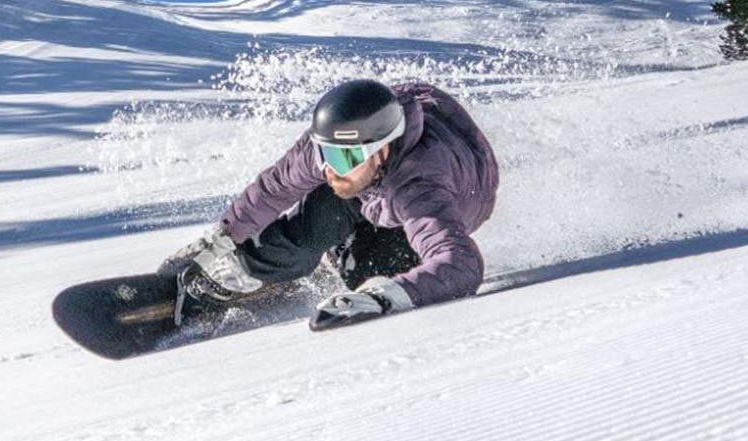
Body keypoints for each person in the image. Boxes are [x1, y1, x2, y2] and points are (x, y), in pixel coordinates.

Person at [162, 77, 500, 325]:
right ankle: (251, 266)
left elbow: (461, 263)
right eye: (325, 153)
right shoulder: (336, 153)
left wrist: (382, 297)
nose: (328, 168)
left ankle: (340, 259)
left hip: (439, 202)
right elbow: (274, 188)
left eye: (343, 158)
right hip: (368, 189)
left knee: (371, 270)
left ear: (381, 150)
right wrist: (220, 239)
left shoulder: (421, 186)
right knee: (323, 207)